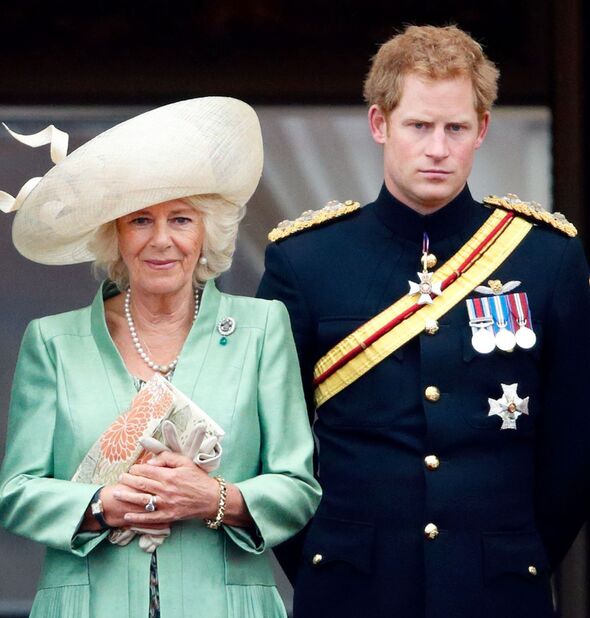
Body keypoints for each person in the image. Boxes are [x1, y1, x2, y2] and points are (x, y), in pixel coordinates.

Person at [257, 25, 590, 618]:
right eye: (419, 126)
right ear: (380, 124)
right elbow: (269, 439)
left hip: (498, 587)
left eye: (456, 128)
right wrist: (324, 556)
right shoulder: (305, 260)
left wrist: (517, 553)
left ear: (482, 130)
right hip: (350, 586)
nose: (438, 147)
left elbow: (572, 447)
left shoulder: (547, 257)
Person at [0, 97, 321, 618]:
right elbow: (17, 492)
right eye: (141, 221)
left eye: (181, 219)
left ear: (205, 232)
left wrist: (212, 498)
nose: (162, 241)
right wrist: (102, 506)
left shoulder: (261, 330)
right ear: (116, 235)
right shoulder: (53, 341)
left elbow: (296, 487)